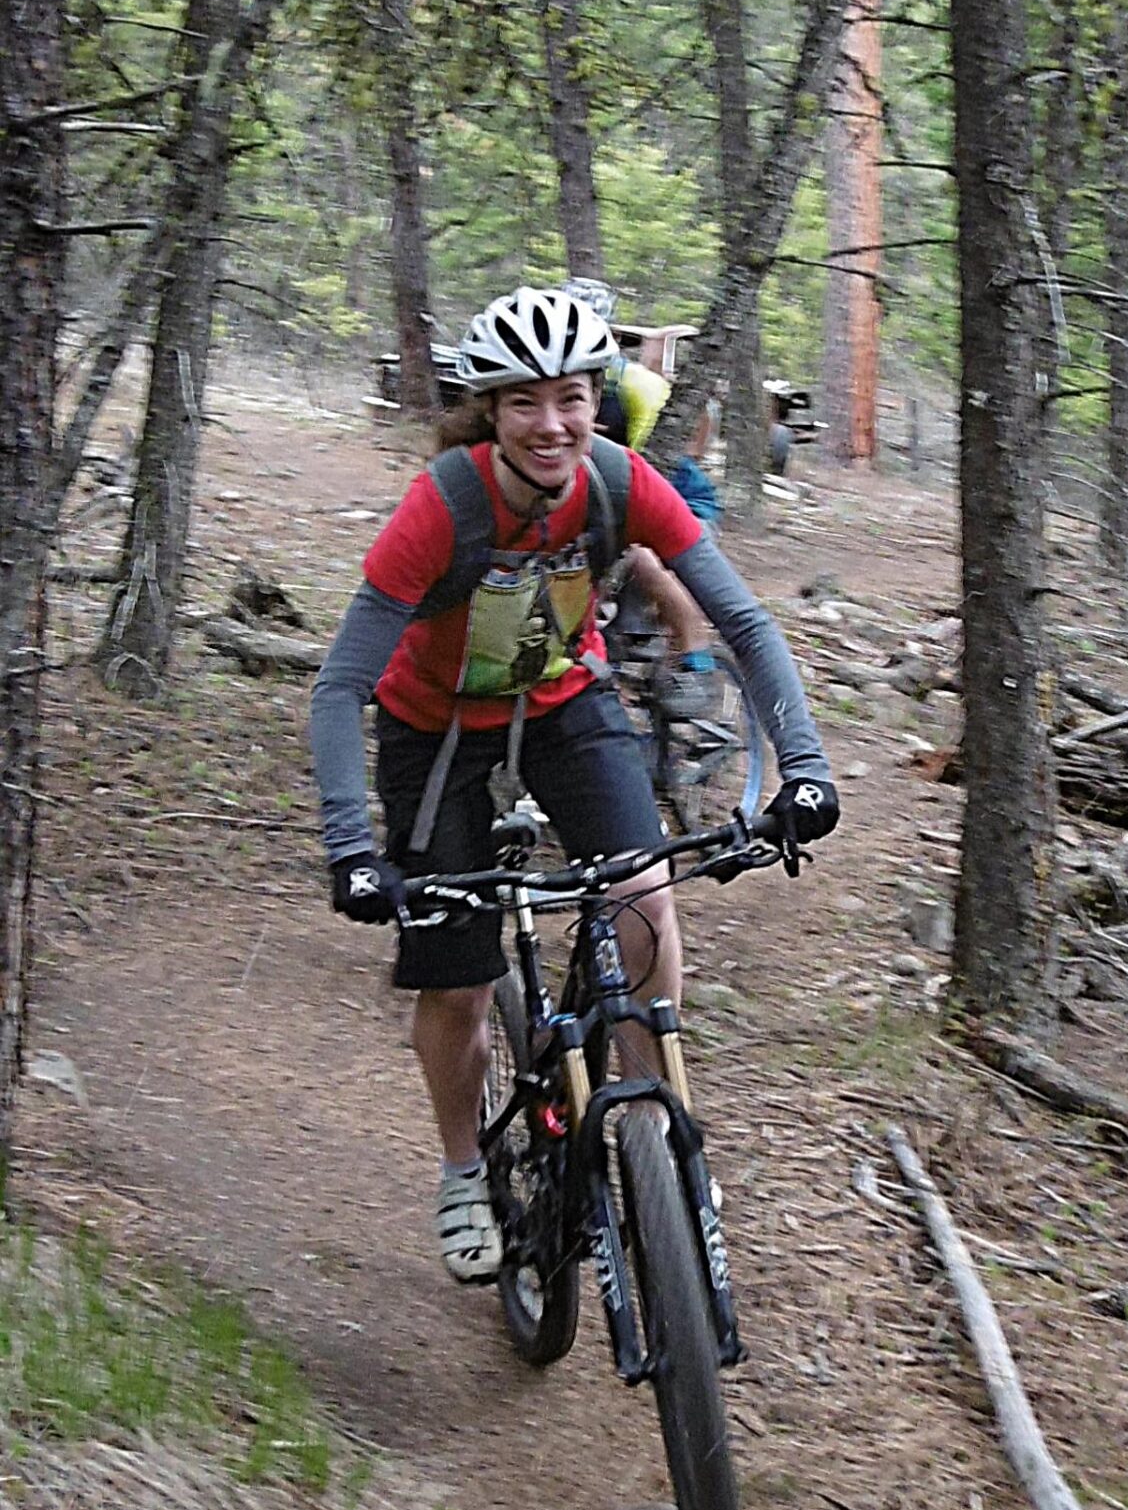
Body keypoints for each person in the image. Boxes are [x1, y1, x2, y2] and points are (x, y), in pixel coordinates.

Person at [310, 283, 837, 1283]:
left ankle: (658, 1143)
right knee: (458, 979)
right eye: (524, 402)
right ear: (488, 411)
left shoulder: (621, 482)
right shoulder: (442, 509)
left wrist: (804, 766)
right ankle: (465, 1168)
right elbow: (339, 687)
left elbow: (747, 626)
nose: (551, 424)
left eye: (571, 398)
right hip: (436, 732)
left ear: (597, 400)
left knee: (644, 899)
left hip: (564, 706)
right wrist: (350, 846)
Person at [561, 277, 722, 719]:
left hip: (680, 500)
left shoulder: (634, 386)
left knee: (640, 555)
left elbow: (647, 475)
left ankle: (696, 653)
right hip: (610, 495)